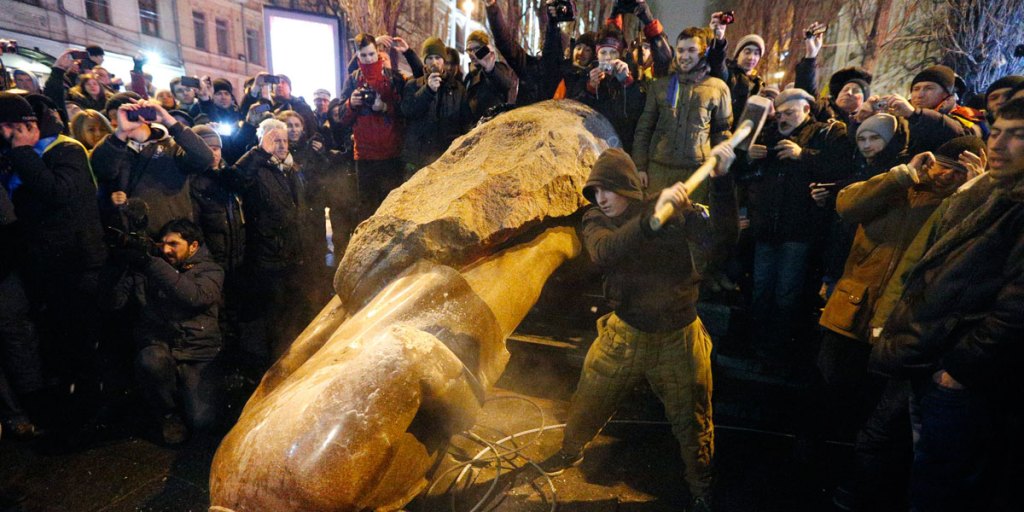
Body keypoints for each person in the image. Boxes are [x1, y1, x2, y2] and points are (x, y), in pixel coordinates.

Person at [539, 146, 738, 512]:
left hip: (679, 338)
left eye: (607, 190)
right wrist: (648, 223)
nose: (600, 199)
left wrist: (722, 184)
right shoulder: (596, 220)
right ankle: (571, 451)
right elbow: (605, 253)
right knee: (586, 403)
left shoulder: (674, 211)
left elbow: (725, 241)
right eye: (594, 192)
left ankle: (701, 489)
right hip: (623, 334)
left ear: (628, 188)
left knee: (694, 425)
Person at [869, 97, 1024, 512]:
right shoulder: (992, 191)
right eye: (1000, 130)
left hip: (965, 377)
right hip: (937, 359)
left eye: (1018, 135)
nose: (999, 143)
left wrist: (957, 369)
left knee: (944, 486)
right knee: (927, 472)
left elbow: (1016, 310)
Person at [818, 135, 985, 510]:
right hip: (851, 312)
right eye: (946, 165)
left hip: (898, 326)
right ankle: (820, 470)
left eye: (960, 171)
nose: (948, 176)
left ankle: (849, 480)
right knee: (831, 394)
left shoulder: (963, 206)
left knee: (873, 413)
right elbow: (847, 204)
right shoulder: (902, 185)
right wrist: (900, 176)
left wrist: (976, 191)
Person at [0, 92, 107, 423]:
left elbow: (58, 192)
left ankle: (90, 416)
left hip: (75, 268)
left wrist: (21, 152)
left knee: (80, 346)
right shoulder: (17, 155)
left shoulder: (66, 150)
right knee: (56, 346)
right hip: (42, 268)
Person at [741, 88, 852, 351]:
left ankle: (779, 347)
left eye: (790, 112)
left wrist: (801, 154)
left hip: (798, 230)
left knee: (787, 292)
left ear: (806, 110)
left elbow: (837, 167)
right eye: (779, 113)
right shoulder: (767, 134)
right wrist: (749, 157)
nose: (783, 118)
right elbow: (745, 175)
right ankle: (759, 345)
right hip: (767, 228)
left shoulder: (822, 134)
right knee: (761, 288)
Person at [109, 218, 224, 445]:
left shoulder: (211, 269)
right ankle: (168, 413)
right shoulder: (149, 267)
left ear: (193, 246)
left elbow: (194, 296)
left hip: (197, 352)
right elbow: (113, 302)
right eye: (162, 244)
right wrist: (118, 264)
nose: (165, 250)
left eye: (173, 244)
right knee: (150, 360)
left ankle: (183, 393)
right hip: (163, 347)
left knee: (203, 422)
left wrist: (149, 263)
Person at [229, 118, 315, 365]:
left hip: (293, 254)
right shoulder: (254, 167)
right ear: (261, 141)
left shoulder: (290, 169)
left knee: (294, 311)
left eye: (284, 140)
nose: (281, 145)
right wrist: (259, 153)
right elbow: (236, 179)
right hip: (268, 257)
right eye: (274, 140)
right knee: (274, 318)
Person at [633, 27, 732, 201]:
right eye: (680, 50)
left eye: (692, 50)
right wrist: (640, 167)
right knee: (654, 221)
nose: (685, 56)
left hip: (696, 175)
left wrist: (718, 169)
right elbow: (644, 128)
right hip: (659, 171)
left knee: (692, 222)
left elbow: (722, 133)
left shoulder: (718, 88)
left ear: (703, 52)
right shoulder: (660, 86)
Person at [91, 98, 214, 237]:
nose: (116, 122)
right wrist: (121, 133)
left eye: (129, 114)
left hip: (170, 237)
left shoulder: (172, 147)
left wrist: (169, 121)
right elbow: (102, 171)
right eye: (114, 118)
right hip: (128, 239)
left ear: (144, 114)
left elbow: (205, 159)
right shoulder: (112, 147)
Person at [339, 33, 405, 220]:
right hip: (365, 157)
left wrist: (384, 107)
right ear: (358, 56)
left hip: (391, 155)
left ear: (378, 52)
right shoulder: (353, 80)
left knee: (393, 212)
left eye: (371, 54)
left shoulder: (393, 78)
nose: (368, 59)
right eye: (363, 55)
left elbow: (405, 111)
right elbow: (341, 118)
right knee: (368, 212)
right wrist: (351, 103)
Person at [856, 65, 968, 155]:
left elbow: (957, 134)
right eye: (916, 89)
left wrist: (914, 114)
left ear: (946, 94)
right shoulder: (901, 114)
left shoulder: (963, 116)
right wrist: (862, 121)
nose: (920, 95)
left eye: (929, 88)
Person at [400, 37, 472, 174]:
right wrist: (428, 90)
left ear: (444, 61)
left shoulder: (458, 89)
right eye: (430, 58)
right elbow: (407, 111)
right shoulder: (413, 85)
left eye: (438, 58)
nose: (434, 62)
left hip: (445, 159)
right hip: (417, 159)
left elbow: (466, 123)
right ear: (424, 61)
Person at [569, 23, 643, 153]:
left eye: (613, 52)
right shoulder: (586, 76)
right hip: (592, 150)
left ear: (620, 55)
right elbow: (575, 110)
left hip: (622, 150)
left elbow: (637, 113)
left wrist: (627, 82)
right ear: (597, 55)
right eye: (603, 52)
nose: (608, 57)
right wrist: (590, 88)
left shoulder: (631, 77)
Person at [708, 12, 765, 129]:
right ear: (737, 55)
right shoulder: (729, 73)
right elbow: (717, 63)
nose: (751, 57)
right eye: (747, 51)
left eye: (756, 53)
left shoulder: (759, 84)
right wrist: (719, 39)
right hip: (722, 138)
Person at [464, 31, 516, 124]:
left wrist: (490, 70)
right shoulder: (469, 77)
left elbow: (506, 84)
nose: (472, 53)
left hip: (493, 128)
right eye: (469, 50)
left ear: (485, 49)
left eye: (476, 49)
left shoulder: (498, 68)